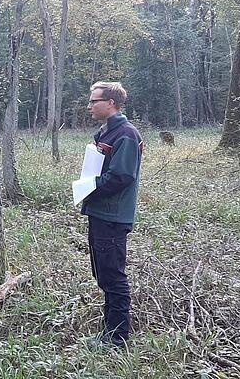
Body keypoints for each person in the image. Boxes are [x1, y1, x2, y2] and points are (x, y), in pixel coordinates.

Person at [81, 81, 144, 347]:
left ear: (111, 103)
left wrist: (87, 189)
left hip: (113, 216)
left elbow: (121, 177)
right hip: (99, 212)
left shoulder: (126, 135)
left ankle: (117, 339)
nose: (90, 106)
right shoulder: (106, 132)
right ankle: (109, 329)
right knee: (102, 274)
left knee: (113, 276)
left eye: (95, 101)